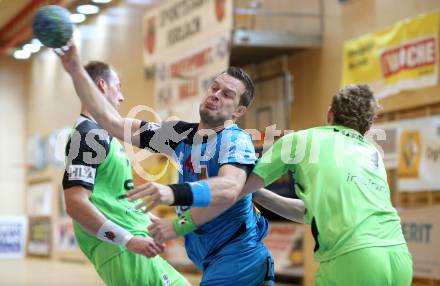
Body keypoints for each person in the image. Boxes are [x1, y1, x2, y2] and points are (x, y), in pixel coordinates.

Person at [145, 84, 413, 286]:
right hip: (398, 256)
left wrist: (180, 219)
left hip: (352, 258)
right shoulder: (372, 153)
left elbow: (233, 189)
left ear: (329, 114)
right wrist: (258, 193)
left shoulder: (301, 140)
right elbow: (308, 212)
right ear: (367, 126)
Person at [56, 43, 274, 285]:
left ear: (238, 111)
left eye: (227, 94)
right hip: (213, 259)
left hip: (239, 258)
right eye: (214, 87)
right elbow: (112, 122)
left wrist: (172, 192)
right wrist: (75, 69)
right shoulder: (179, 135)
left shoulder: (236, 140)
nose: (216, 95)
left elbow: (229, 187)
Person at [62, 60, 189, 286]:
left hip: (130, 245)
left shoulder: (102, 135)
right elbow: (75, 204)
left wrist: (165, 225)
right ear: (102, 86)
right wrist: (127, 240)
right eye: (118, 87)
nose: (122, 97)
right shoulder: (87, 135)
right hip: (123, 250)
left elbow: (116, 200)